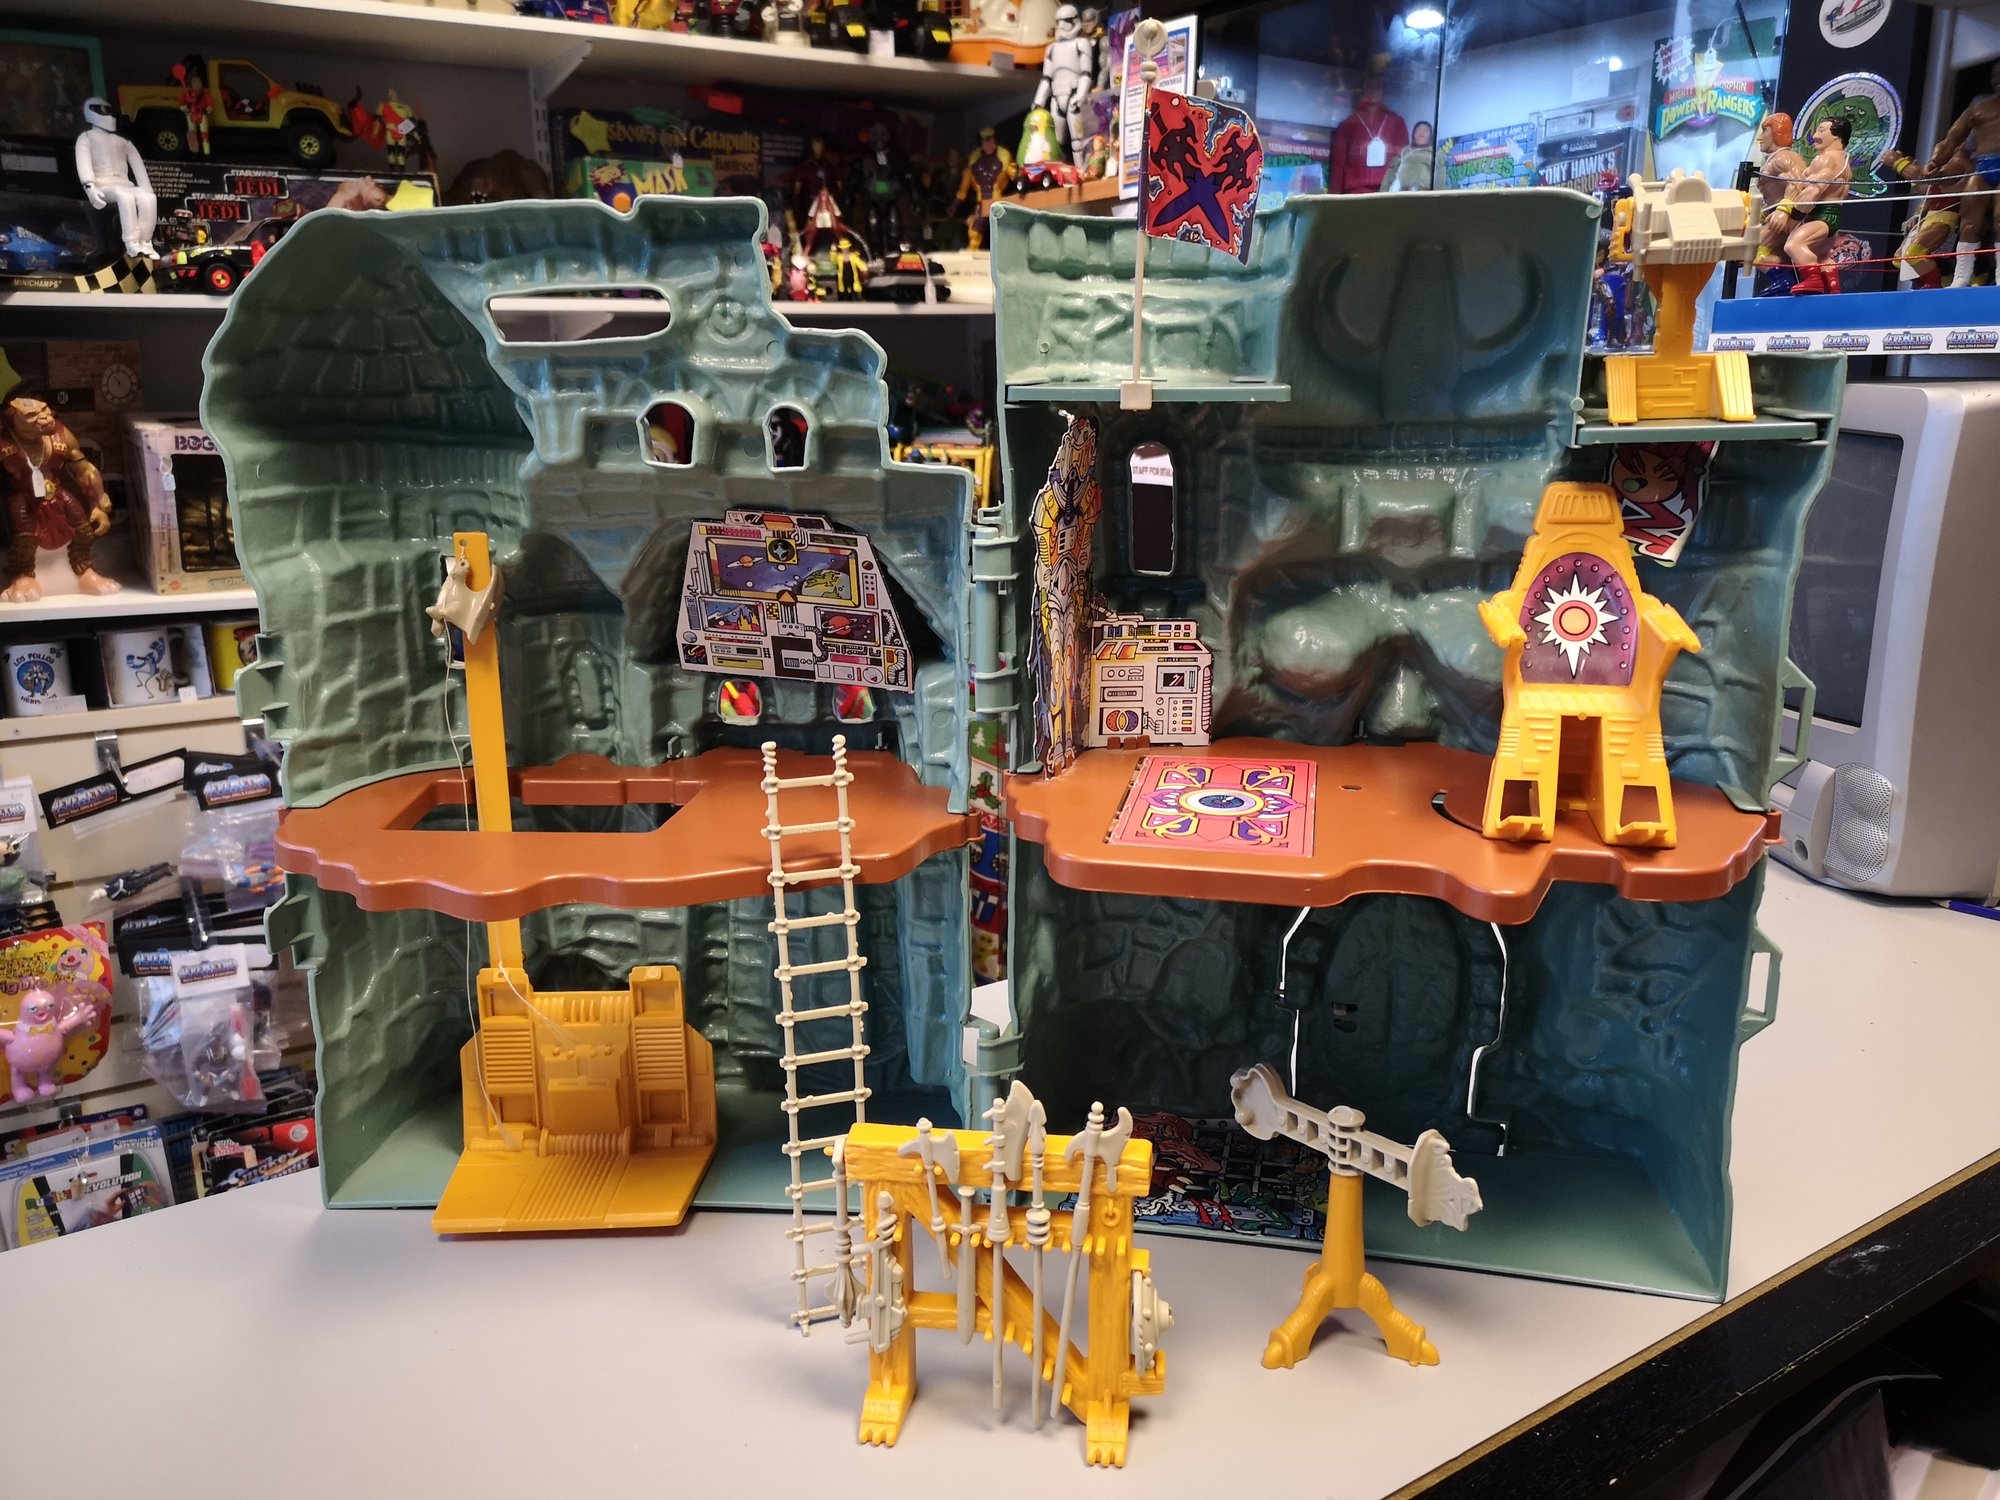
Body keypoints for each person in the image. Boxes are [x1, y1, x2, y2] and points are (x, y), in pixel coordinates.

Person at [1760, 115, 1851, 294]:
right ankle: (1832, 285)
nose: (1815, 136)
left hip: (1820, 215)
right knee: (1821, 256)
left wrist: (1793, 217)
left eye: (1821, 131)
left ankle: (1813, 281)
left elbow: (1812, 193)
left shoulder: (1824, 160)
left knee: (1793, 245)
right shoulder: (1844, 162)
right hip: (1833, 215)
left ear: (1836, 136)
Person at [1384, 120, 1434, 192]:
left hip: (1423, 194)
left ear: (1431, 136)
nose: (1421, 133)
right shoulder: (1401, 155)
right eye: (1418, 130)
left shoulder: (1434, 156)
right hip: (1399, 194)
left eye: (1425, 131)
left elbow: (1439, 180)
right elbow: (1387, 181)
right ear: (1413, 135)